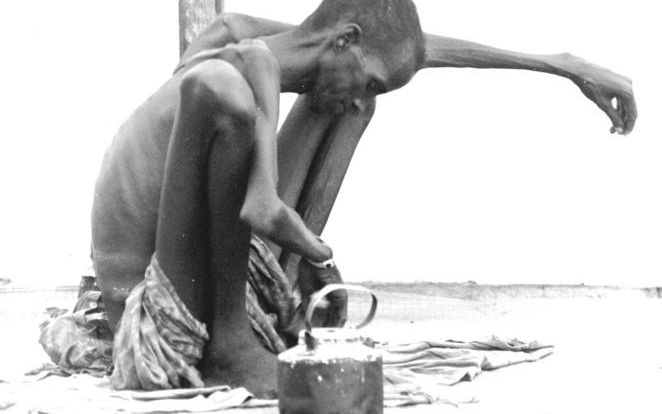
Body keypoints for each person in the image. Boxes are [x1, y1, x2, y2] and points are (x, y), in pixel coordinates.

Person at [91, 0, 636, 397]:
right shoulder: (223, 66)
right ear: (344, 39)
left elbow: (410, 52)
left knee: (346, 104)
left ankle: (269, 301)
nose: (365, 92)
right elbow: (223, 79)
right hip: (153, 306)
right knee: (225, 88)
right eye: (370, 77)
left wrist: (560, 64)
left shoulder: (292, 46)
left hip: (205, 271)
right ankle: (230, 343)